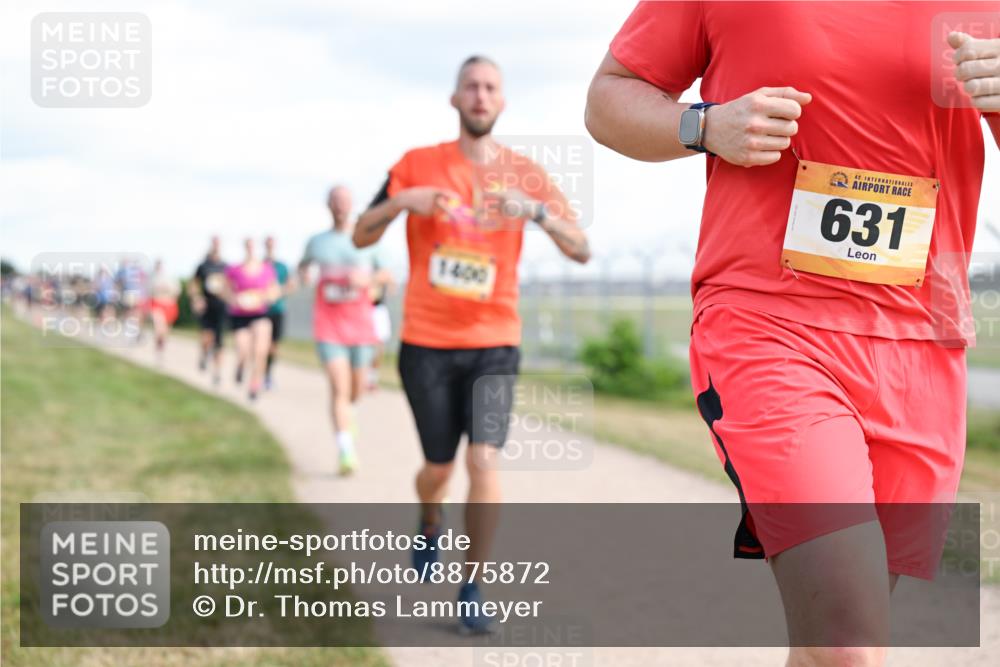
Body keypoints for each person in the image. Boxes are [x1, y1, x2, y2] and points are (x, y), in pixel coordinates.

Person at [585, 3, 1000, 664]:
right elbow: (607, 98)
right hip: (772, 327)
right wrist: (703, 124)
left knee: (826, 639)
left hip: (923, 342)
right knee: (849, 644)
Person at [354, 55, 590, 634]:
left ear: (502, 102)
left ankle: (472, 584)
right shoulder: (415, 165)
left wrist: (534, 211)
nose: (481, 96)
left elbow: (581, 248)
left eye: (491, 88)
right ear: (455, 99)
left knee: (483, 459)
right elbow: (362, 233)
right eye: (471, 87)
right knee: (437, 468)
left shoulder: (524, 173)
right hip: (428, 342)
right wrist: (399, 204)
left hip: (494, 340)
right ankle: (429, 515)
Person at [300, 185, 392, 476]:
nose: (340, 206)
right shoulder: (317, 242)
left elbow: (388, 276)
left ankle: (347, 417)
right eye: (335, 201)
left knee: (355, 391)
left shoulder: (367, 238)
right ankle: (345, 451)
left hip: (361, 325)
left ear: (352, 205)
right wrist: (305, 275)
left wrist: (365, 279)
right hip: (328, 324)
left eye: (345, 201)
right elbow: (302, 268)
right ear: (328, 205)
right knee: (339, 388)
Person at [223, 238, 279, 401]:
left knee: (261, 351)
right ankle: (240, 366)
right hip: (240, 315)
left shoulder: (267, 269)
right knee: (243, 350)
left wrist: (265, 297)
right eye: (248, 246)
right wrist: (234, 299)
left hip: (260, 313)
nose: (250, 249)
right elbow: (225, 289)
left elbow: (274, 290)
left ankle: (255, 384)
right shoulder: (234, 269)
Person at [190, 237, 228, 385]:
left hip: (221, 306)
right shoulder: (203, 266)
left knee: (219, 341)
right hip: (207, 306)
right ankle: (204, 354)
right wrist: (196, 299)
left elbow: (231, 286)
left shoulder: (226, 266)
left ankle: (217, 373)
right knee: (206, 337)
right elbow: (194, 284)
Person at [263, 235, 296, 390]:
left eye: (272, 244)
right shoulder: (259, 265)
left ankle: (268, 373)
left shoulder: (282, 266)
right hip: (260, 310)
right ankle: (259, 373)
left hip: (277, 310)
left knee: (273, 346)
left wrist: (279, 292)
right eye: (267, 244)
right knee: (261, 344)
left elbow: (291, 286)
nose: (270, 246)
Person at [145, 259, 181, 362]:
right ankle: (158, 352)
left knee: (164, 332)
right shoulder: (152, 278)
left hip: (169, 305)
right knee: (158, 328)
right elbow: (149, 293)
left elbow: (176, 292)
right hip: (157, 305)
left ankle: (160, 349)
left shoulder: (171, 278)